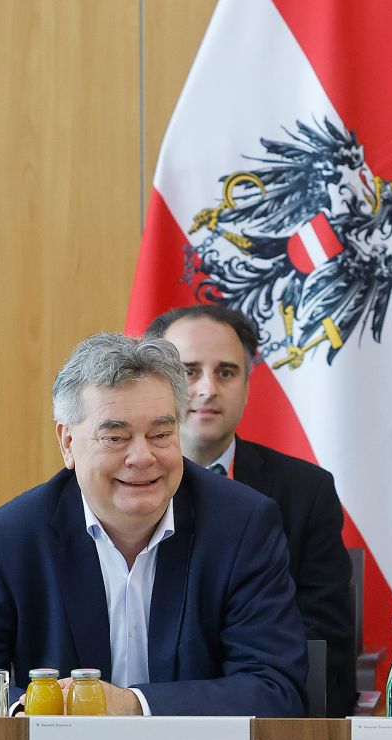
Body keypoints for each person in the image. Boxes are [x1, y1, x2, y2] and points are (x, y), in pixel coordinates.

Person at [0, 332, 306, 717]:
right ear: (67, 442)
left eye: (161, 435)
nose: (142, 457)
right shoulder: (12, 536)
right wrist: (35, 711)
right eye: (116, 437)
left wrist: (134, 706)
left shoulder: (242, 525)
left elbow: (275, 688)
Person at [146, 304, 356, 716]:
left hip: (263, 719)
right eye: (188, 372)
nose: (207, 388)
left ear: (246, 383)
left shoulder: (305, 491)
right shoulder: (115, 487)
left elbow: (323, 639)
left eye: (226, 372)